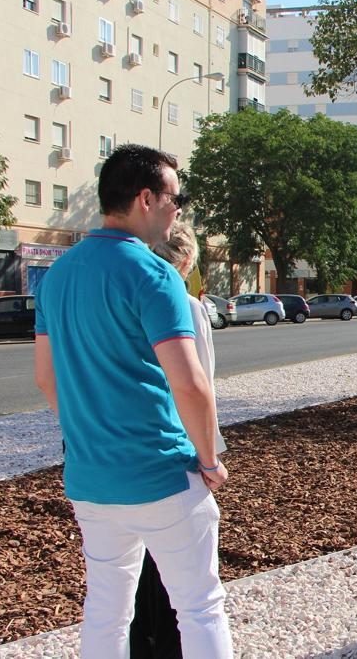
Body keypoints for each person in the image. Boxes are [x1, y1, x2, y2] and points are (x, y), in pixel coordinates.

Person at [32, 144, 233, 658]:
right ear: (146, 198)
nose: (178, 210)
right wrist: (210, 459)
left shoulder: (57, 275)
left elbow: (45, 380)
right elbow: (191, 385)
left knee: (106, 610)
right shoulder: (155, 274)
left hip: (90, 479)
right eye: (175, 198)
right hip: (160, 474)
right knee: (200, 607)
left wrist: (91, 434)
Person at [129, 221, 228, 658]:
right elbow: (199, 382)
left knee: (132, 566)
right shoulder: (187, 306)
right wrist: (209, 455)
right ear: (187, 262)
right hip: (176, 444)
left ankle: (142, 642)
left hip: (126, 445)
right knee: (187, 574)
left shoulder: (125, 296)